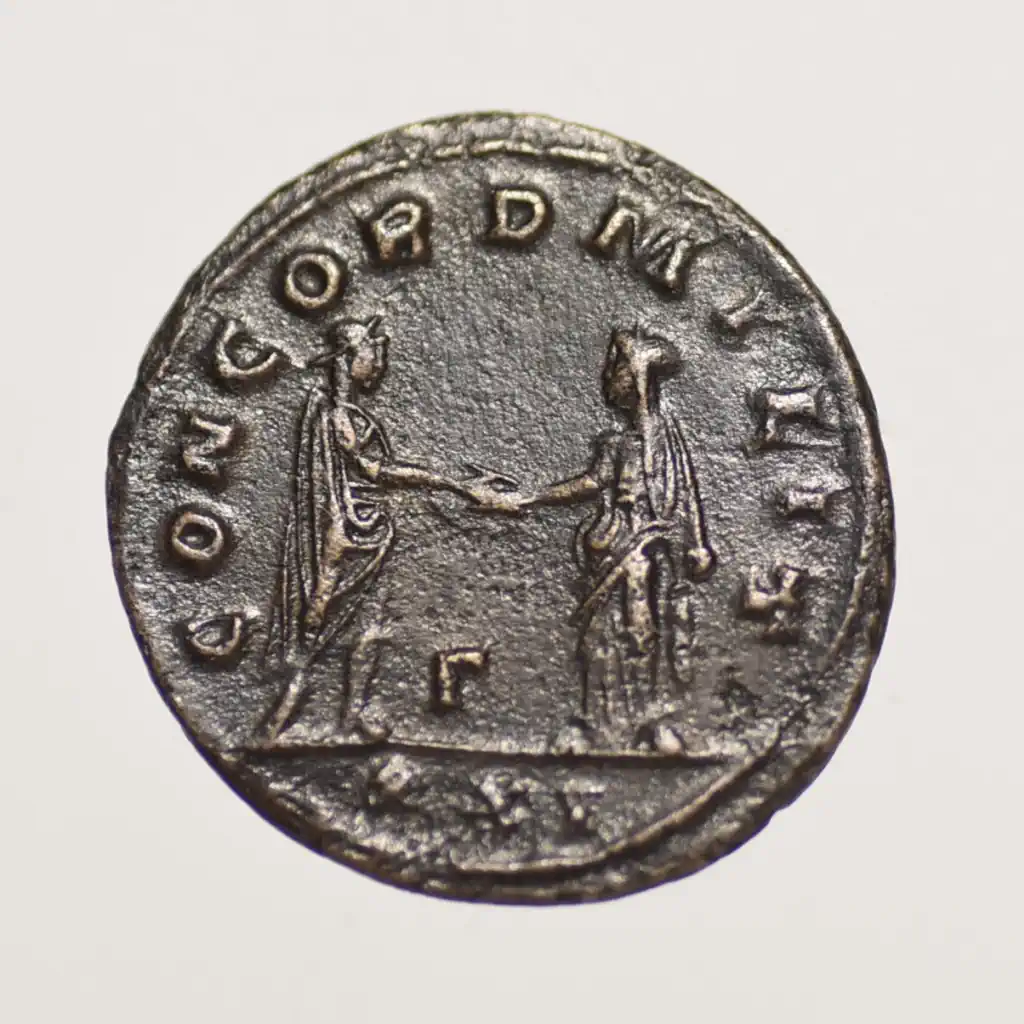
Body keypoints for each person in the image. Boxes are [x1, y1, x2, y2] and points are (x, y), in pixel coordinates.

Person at [262, 317, 506, 743]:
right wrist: (456, 485)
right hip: (346, 541)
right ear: (346, 359)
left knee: (368, 631)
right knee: (315, 637)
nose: (378, 361)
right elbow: (380, 471)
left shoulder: (347, 414)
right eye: (371, 352)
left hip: (369, 533)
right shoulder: (340, 418)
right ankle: (275, 725)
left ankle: (352, 716)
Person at [475, 327, 714, 751]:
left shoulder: (662, 438)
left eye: (617, 368)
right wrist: (529, 497)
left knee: (644, 631)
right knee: (600, 636)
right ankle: (591, 722)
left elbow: (685, 490)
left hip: (648, 546)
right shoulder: (615, 444)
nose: (609, 377)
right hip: (609, 543)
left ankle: (650, 720)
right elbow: (589, 483)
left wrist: (696, 542)